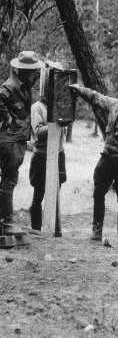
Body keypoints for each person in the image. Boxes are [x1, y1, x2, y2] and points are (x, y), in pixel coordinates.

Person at [70, 82, 118, 245]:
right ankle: (97, 231)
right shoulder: (114, 105)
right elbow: (96, 97)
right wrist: (79, 89)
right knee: (98, 193)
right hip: (107, 158)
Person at [0, 51, 44, 236]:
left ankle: (6, 221)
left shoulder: (24, 85)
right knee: (9, 181)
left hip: (16, 139)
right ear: (20, 71)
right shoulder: (10, 85)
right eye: (32, 71)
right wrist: (7, 117)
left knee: (9, 180)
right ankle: (6, 223)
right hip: (10, 139)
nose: (35, 74)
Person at [28, 63, 67, 233]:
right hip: (42, 155)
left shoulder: (57, 106)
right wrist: (54, 124)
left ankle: (55, 227)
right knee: (39, 194)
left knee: (56, 191)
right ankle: (36, 228)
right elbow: (38, 131)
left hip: (58, 153)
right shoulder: (38, 107)